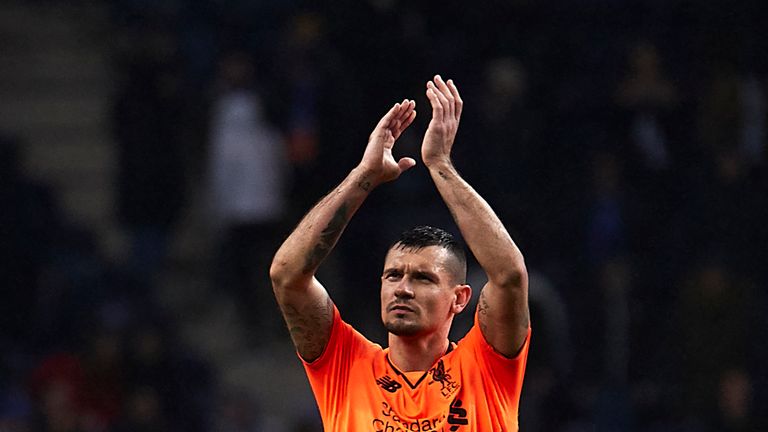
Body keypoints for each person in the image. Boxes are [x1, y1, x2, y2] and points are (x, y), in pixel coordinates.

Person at [270, 75, 530, 430]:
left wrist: (440, 165)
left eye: (423, 278)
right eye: (393, 275)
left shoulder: (485, 367)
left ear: (459, 298)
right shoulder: (345, 367)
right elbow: (287, 276)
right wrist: (363, 176)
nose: (402, 288)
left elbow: (509, 276)